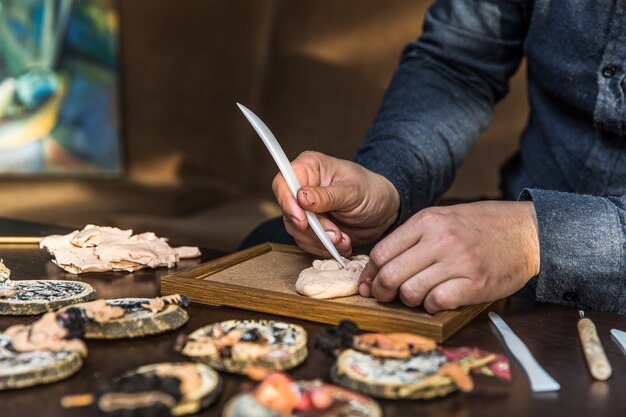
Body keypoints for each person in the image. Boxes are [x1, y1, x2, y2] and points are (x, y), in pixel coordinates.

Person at [242, 0, 626, 315]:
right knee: (271, 244)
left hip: (557, 250)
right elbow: (457, 65)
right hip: (507, 229)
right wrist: (390, 181)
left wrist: (536, 238)